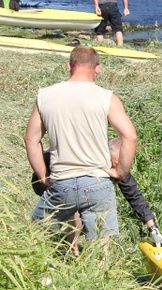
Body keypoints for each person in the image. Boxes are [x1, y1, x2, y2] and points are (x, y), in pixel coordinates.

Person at [25, 46, 137, 247]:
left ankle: (53, 267)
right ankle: (100, 276)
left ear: (69, 65)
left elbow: (31, 140)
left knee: (36, 234)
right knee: (102, 247)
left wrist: (43, 176)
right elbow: (130, 137)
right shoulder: (106, 97)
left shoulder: (45, 95)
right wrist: (119, 172)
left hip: (62, 180)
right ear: (98, 68)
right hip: (98, 181)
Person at [31, 138, 162, 247]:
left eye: (119, 164)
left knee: (92, 213)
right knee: (74, 208)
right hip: (48, 180)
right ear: (104, 155)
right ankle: (71, 251)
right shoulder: (84, 155)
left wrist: (153, 229)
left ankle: (94, 256)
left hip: (83, 192)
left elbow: (134, 195)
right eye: (114, 163)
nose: (116, 167)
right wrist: (46, 178)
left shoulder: (118, 168)